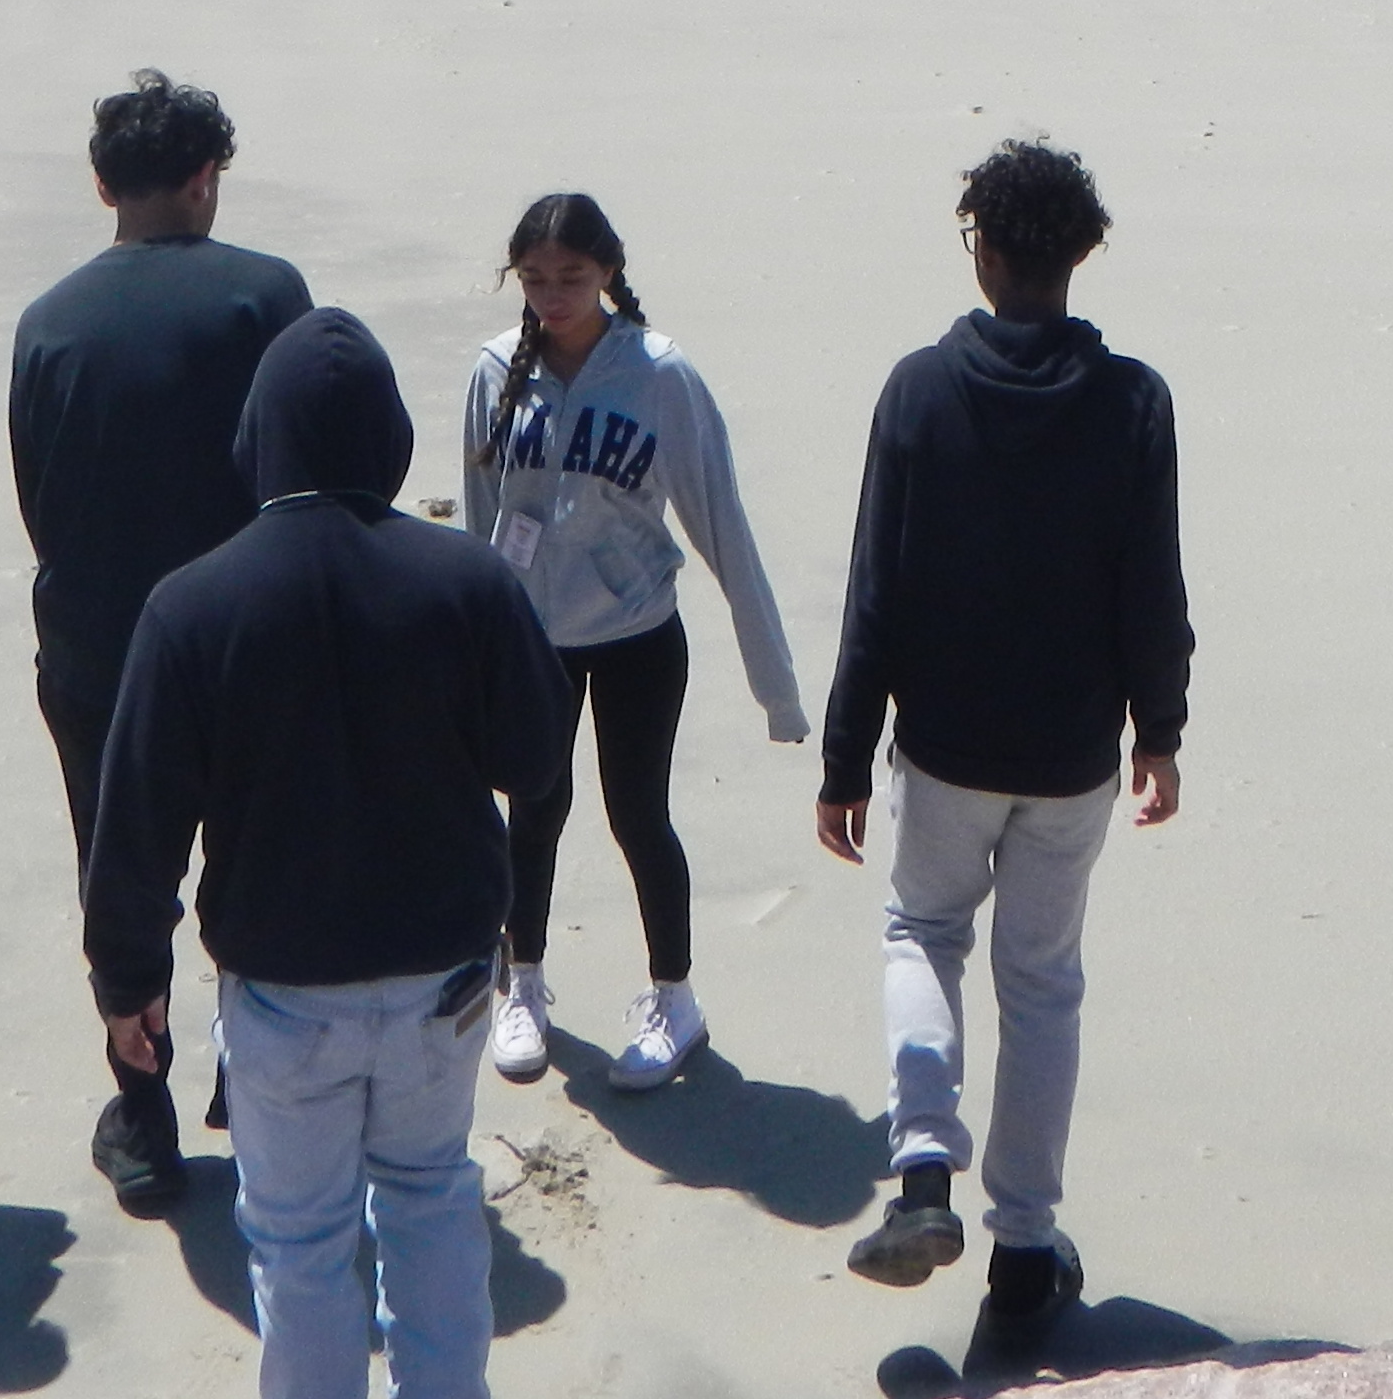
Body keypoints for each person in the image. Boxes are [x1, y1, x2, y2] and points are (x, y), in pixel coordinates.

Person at [86, 311, 564, 1399]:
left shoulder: (190, 605)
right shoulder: (468, 582)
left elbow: (137, 830)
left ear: (262, 439)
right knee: (433, 1198)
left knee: (300, 1254)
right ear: (388, 437)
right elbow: (535, 762)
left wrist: (128, 981)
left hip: (285, 992)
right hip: (441, 981)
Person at [815, 139, 1191, 1375]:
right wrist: (1161, 730)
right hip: (1075, 753)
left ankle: (924, 1162)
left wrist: (845, 754)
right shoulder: (1135, 401)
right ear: (1080, 254)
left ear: (981, 248)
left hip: (946, 745)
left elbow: (877, 585)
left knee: (923, 933)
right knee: (1041, 984)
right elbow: (1152, 588)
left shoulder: (921, 391)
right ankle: (1025, 1250)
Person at [8, 69, 313, 1207]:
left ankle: (144, 1121)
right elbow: (306, 463)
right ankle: (261, 1075)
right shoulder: (265, 295)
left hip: (99, 652)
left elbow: (38, 494)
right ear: (204, 178)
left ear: (101, 187)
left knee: (120, 878)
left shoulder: (48, 322)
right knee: (257, 863)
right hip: (245, 646)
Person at [458, 192, 807, 1092]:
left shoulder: (661, 376)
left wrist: (778, 689)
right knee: (532, 811)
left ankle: (674, 1002)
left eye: (572, 278)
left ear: (609, 272)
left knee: (637, 816)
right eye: (534, 279)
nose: (552, 296)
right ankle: (521, 983)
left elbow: (721, 523)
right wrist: (465, 658)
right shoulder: (497, 370)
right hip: (532, 640)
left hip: (637, 638)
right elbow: (479, 529)